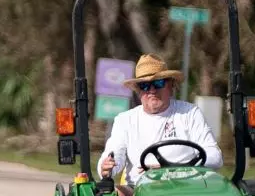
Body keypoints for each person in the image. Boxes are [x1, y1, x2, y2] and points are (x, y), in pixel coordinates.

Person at [95, 54, 223, 181]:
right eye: (144, 85)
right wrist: (107, 167)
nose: (151, 90)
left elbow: (215, 156)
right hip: (139, 188)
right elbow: (114, 154)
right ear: (139, 91)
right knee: (117, 195)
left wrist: (176, 168)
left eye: (158, 83)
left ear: (171, 86)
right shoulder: (125, 120)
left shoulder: (190, 113)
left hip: (186, 186)